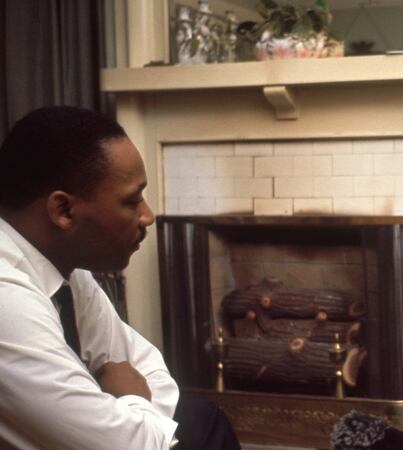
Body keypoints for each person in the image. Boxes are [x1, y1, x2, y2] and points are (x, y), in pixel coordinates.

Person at [0, 106, 240, 449]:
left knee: (201, 416)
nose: (148, 216)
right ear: (63, 211)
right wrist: (134, 401)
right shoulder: (5, 300)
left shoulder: (66, 271)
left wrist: (130, 408)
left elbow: (147, 366)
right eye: (132, 200)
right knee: (201, 426)